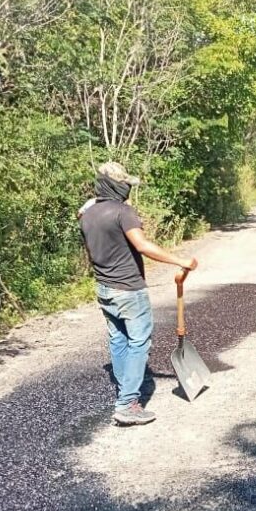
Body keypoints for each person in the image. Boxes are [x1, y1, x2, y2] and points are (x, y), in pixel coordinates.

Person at [80, 162, 198, 426]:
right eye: (126, 185)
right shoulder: (123, 212)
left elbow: (88, 232)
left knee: (119, 340)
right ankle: (127, 404)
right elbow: (142, 246)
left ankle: (125, 392)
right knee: (138, 342)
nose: (128, 190)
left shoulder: (88, 214)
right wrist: (180, 261)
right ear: (117, 186)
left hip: (104, 288)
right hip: (128, 290)